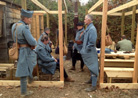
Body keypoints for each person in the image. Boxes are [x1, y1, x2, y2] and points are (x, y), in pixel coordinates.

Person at [11, 9, 37, 97]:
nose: (31, 20)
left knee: (26, 66)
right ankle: (24, 92)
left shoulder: (15, 25)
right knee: (23, 70)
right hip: (25, 51)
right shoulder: (24, 27)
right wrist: (35, 41)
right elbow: (32, 42)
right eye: (30, 19)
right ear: (25, 18)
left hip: (18, 50)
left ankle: (30, 78)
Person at [80, 14, 99, 92]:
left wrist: (86, 50)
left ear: (89, 20)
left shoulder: (92, 29)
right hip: (88, 52)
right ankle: (91, 80)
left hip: (90, 52)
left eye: (85, 19)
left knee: (93, 68)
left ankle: (94, 86)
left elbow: (92, 42)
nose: (84, 20)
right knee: (91, 67)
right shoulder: (88, 28)